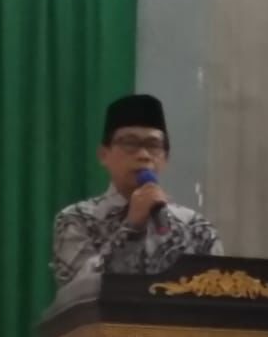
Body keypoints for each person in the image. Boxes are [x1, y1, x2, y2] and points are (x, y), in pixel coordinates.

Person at [51, 94, 222, 286]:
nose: (143, 155)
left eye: (153, 145)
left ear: (165, 158)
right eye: (130, 144)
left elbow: (215, 293)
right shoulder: (76, 219)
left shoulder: (196, 228)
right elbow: (78, 290)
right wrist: (131, 227)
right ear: (103, 155)